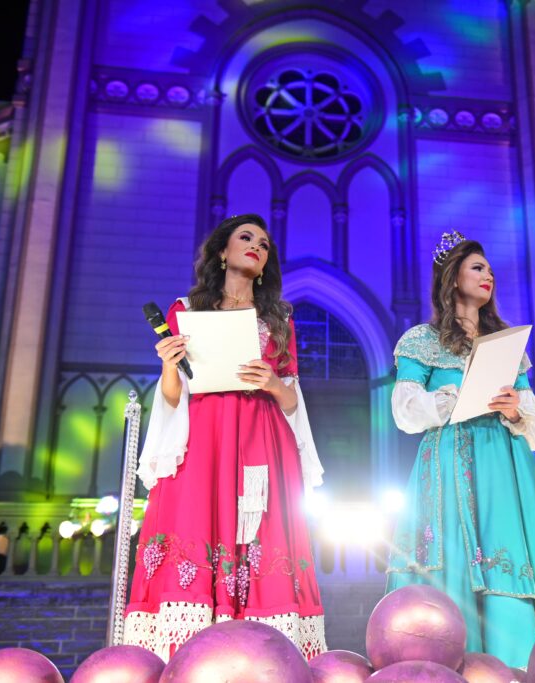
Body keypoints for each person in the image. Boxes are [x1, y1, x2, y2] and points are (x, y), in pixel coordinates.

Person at [123, 214, 326, 660]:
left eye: (264, 244)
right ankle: (189, 657)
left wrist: (272, 383)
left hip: (261, 436)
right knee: (196, 520)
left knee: (263, 535)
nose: (257, 246)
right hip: (203, 439)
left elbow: (291, 399)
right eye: (246, 237)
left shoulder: (278, 320)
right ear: (221, 251)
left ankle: (266, 656)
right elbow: (173, 395)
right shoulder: (185, 311)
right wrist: (169, 364)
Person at [386, 232, 535, 668]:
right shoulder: (422, 340)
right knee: (453, 555)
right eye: (477, 267)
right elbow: (404, 411)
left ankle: (514, 662)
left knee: (505, 555)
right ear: (452, 277)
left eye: (490, 270)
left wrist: (515, 410)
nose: (488, 275)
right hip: (449, 459)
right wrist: (449, 399)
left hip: (502, 462)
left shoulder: (505, 345)